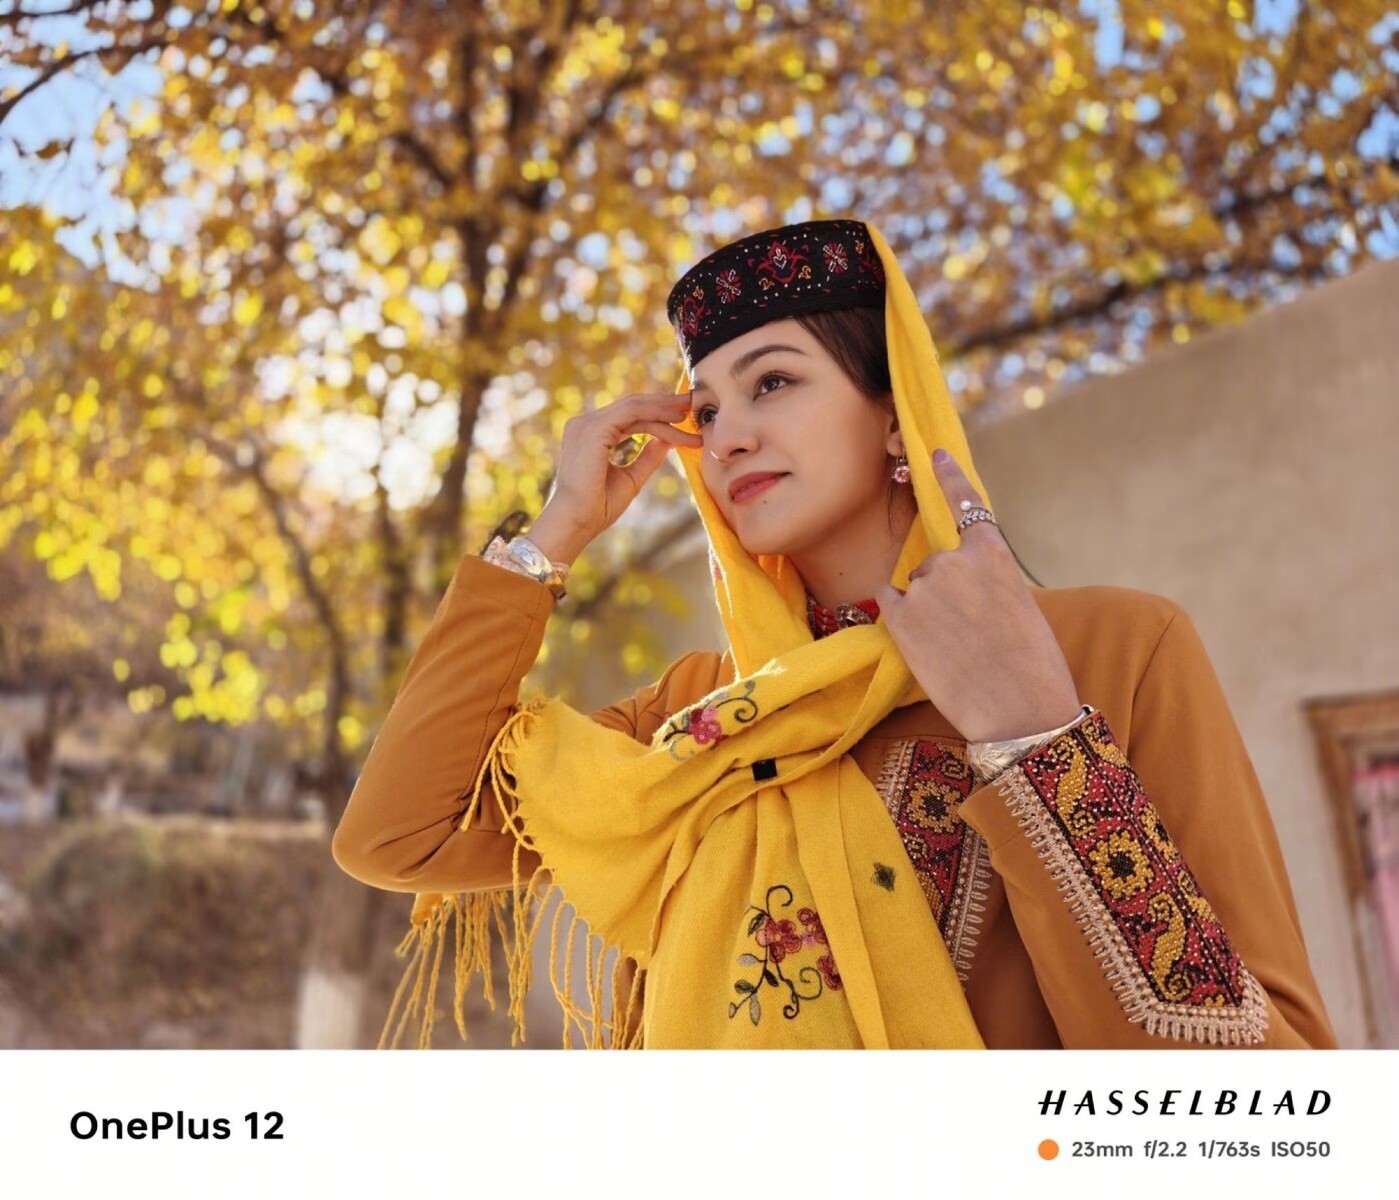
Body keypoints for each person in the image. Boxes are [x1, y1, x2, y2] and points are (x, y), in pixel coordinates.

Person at [333, 217, 1338, 1050]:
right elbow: (397, 836)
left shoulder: (1106, 649)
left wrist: (1033, 734)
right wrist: (552, 534)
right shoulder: (698, 717)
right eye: (706, 410)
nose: (728, 436)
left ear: (896, 416)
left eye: (772, 383)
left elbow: (1265, 1093)